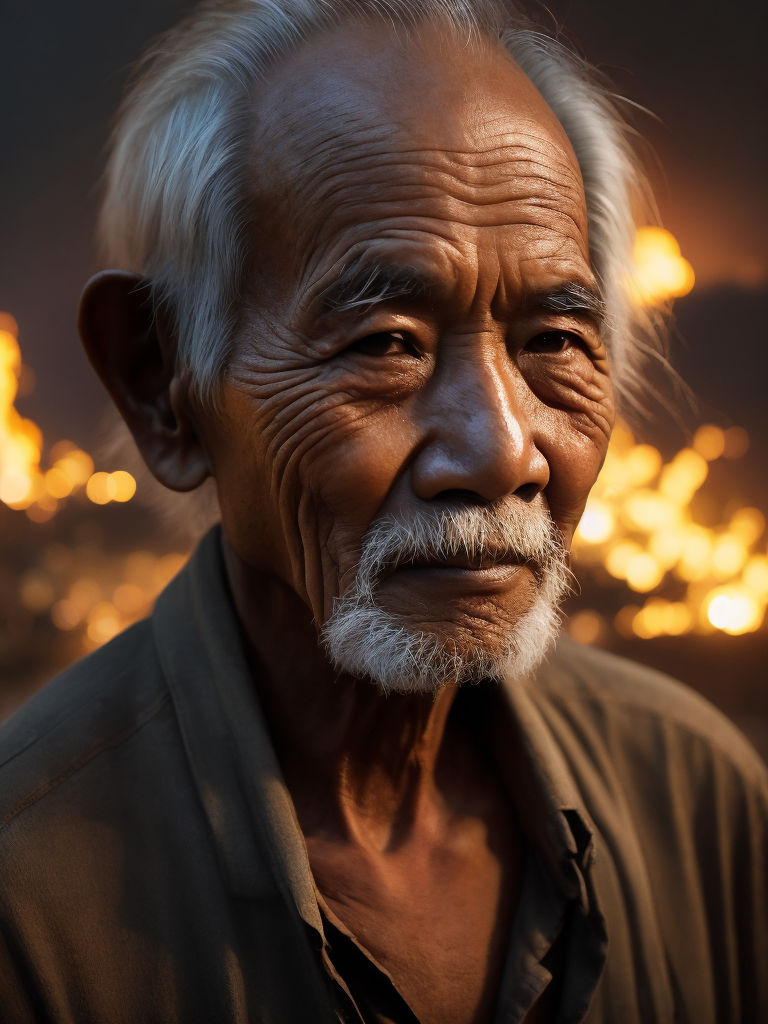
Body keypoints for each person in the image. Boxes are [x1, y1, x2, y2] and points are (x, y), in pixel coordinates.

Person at [0, 1, 766, 1021]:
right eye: (385, 342)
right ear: (162, 380)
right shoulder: (29, 891)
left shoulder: (697, 799)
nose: (499, 450)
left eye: (552, 342)